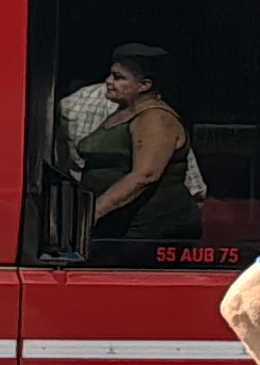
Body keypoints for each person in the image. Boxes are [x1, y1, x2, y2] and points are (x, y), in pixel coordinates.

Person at [76, 46, 202, 245]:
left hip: (147, 229)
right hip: (116, 224)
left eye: (118, 77)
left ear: (144, 85)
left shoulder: (156, 118)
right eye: (110, 75)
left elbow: (145, 175)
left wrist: (93, 213)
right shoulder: (123, 112)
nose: (108, 82)